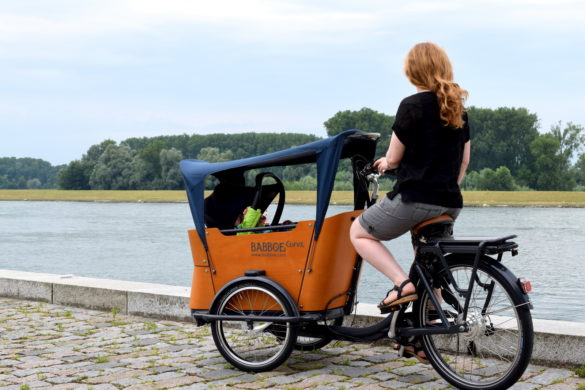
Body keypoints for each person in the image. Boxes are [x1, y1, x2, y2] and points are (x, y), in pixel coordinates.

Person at [349, 42, 471, 359]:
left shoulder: (412, 105)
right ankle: (421, 336)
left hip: (415, 197)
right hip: (450, 201)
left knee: (359, 232)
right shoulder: (457, 107)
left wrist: (385, 165)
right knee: (429, 263)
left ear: (412, 71)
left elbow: (393, 156)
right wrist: (445, 188)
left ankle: (401, 284)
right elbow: (464, 161)